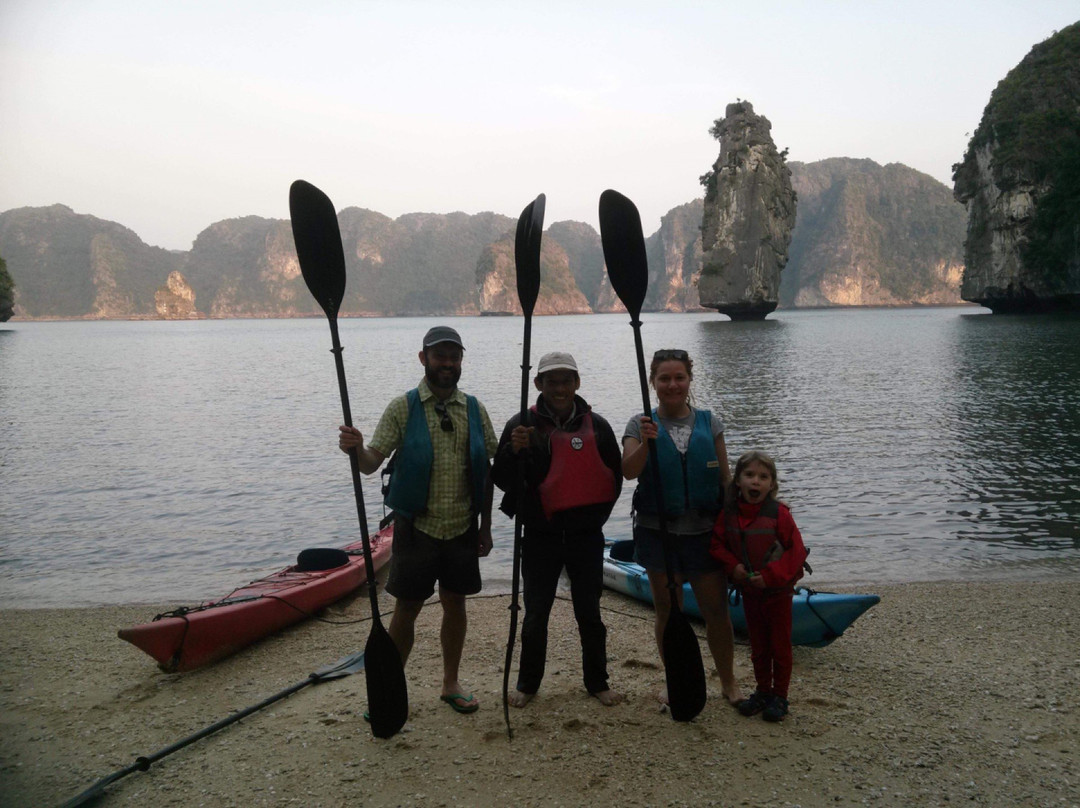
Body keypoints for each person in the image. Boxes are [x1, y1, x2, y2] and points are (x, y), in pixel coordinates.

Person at [337, 325, 498, 715]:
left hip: (462, 526)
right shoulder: (403, 407)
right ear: (423, 358)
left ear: (461, 361)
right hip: (416, 527)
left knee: (455, 603)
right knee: (406, 608)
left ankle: (450, 683)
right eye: (439, 356)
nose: (447, 363)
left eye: (453, 356)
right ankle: (392, 686)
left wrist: (486, 526)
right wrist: (356, 450)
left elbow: (491, 467)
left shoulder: (475, 410)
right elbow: (372, 465)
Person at [491, 352, 625, 707]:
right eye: (552, 381)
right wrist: (511, 451)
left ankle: (597, 681)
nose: (560, 388)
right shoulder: (520, 425)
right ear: (539, 385)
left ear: (577, 383)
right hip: (540, 536)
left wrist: (595, 521)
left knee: (590, 614)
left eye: (566, 380)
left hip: (586, 537)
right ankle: (527, 684)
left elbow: (613, 480)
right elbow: (502, 480)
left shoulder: (598, 426)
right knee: (535, 614)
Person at [621, 348, 744, 707]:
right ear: (653, 382)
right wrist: (646, 441)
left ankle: (728, 681)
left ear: (689, 380)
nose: (672, 385)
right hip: (658, 533)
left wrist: (750, 523)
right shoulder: (638, 424)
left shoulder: (709, 421)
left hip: (705, 533)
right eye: (664, 378)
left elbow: (725, 480)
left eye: (679, 377)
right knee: (668, 611)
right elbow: (628, 470)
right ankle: (675, 678)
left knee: (716, 612)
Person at [710, 450, 807, 722]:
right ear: (737, 481)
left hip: (778, 594)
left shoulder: (780, 515)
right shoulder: (728, 515)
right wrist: (733, 567)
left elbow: (796, 553)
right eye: (749, 475)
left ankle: (780, 696)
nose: (756, 482)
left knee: (780, 646)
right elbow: (716, 545)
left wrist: (771, 575)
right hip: (750, 595)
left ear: (772, 485)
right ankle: (763, 691)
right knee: (759, 647)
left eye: (763, 477)